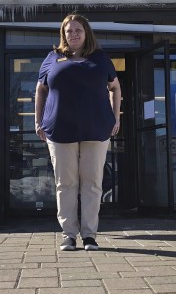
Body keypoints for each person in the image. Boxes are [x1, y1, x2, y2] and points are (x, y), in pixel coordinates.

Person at [35, 13, 121, 251]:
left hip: (96, 129)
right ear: (63, 34)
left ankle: (90, 235)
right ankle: (69, 235)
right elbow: (41, 89)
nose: (73, 34)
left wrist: (116, 117)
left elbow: (115, 87)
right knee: (66, 184)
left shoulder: (100, 58)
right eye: (69, 31)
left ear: (86, 33)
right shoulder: (53, 58)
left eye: (78, 30)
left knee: (92, 184)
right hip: (60, 129)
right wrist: (38, 120)